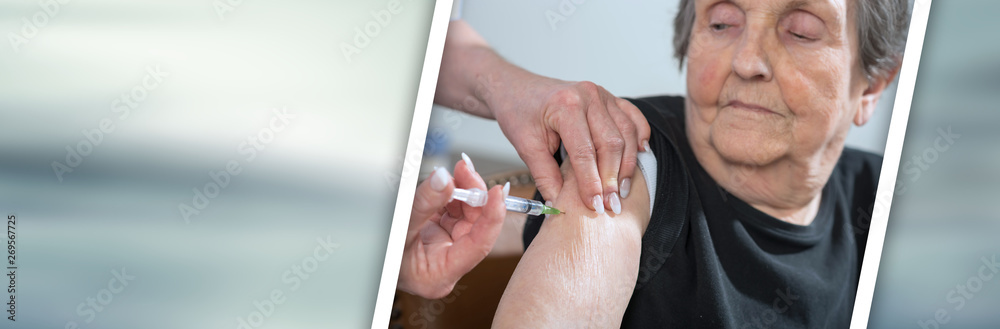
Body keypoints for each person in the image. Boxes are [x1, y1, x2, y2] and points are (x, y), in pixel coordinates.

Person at [489, 0, 910, 327]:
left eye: (801, 32)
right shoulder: (630, 151)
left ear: (872, 85)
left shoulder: (883, 195)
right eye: (722, 22)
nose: (747, 62)